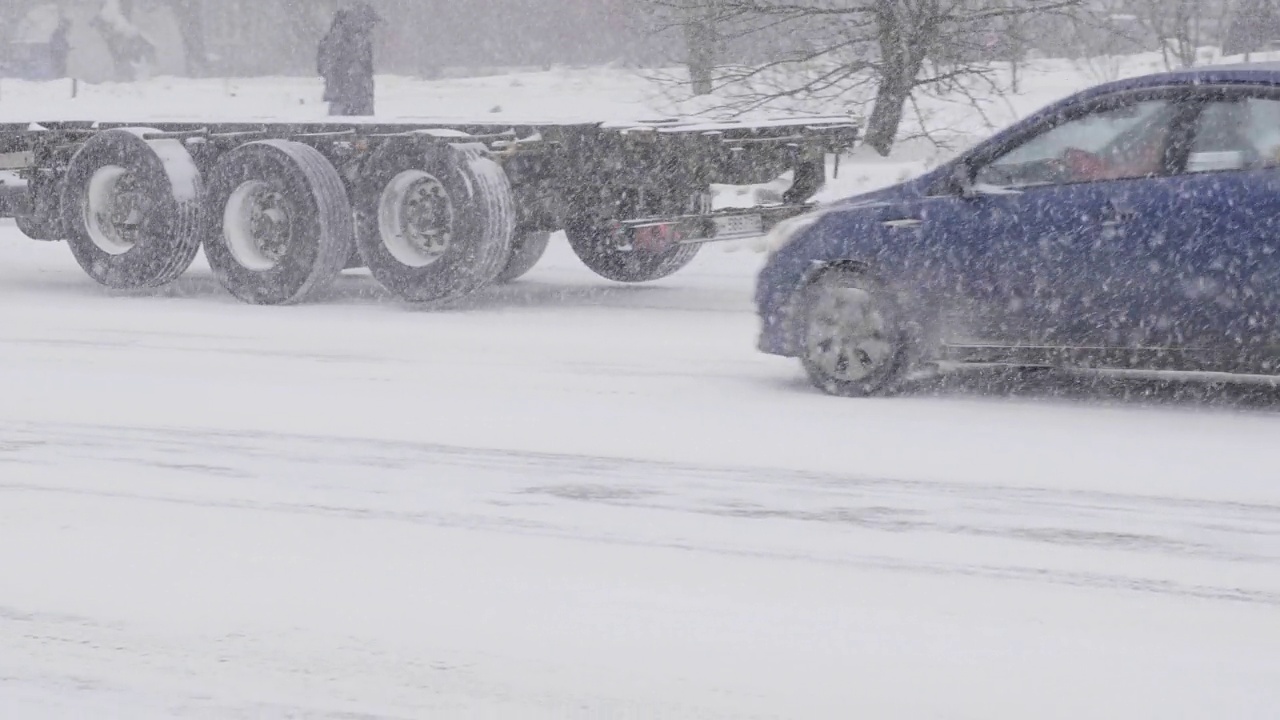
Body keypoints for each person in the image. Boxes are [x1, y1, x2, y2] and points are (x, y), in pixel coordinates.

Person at [318, 3, 382, 116]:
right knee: (342, 129)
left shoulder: (360, 40)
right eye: (369, 23)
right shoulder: (341, 40)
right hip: (347, 99)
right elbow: (327, 67)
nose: (371, 28)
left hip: (356, 97)